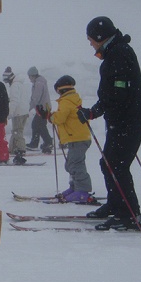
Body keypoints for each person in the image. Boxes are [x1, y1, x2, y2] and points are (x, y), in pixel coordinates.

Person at [76, 16, 141, 231]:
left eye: (91, 39)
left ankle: (128, 214)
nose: (90, 43)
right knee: (109, 164)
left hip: (128, 122)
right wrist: (95, 112)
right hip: (123, 121)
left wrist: (95, 111)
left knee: (116, 166)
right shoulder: (116, 51)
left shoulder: (119, 53)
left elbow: (118, 91)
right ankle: (116, 205)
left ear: (101, 37)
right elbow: (114, 91)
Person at [40, 75, 93, 203]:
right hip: (78, 137)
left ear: (61, 89)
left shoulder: (66, 101)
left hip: (77, 138)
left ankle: (82, 191)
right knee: (71, 163)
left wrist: (49, 117)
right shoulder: (73, 99)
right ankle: (75, 187)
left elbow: (60, 118)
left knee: (75, 164)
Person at [3, 66, 30, 165]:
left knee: (17, 131)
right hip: (24, 111)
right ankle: (13, 148)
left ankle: (20, 149)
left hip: (18, 112)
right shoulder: (21, 84)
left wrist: (9, 113)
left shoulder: (14, 86)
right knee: (16, 130)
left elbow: (14, 101)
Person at [26, 66, 53, 154]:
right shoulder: (40, 82)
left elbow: (35, 98)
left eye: (29, 76)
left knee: (39, 125)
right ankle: (40, 142)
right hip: (44, 107)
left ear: (33, 75)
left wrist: (27, 109)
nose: (29, 78)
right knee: (39, 125)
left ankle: (46, 142)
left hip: (43, 108)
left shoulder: (38, 83)